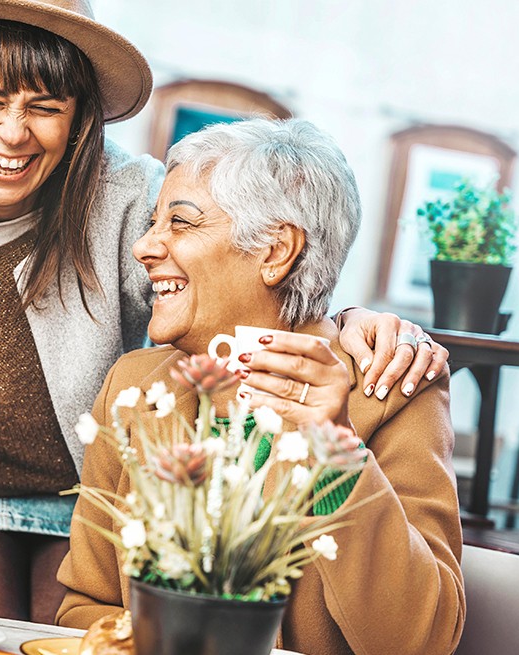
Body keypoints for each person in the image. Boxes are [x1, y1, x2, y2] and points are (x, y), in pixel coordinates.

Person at [0, 0, 448, 624]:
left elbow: (248, 271)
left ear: (82, 116)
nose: (13, 132)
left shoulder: (131, 200)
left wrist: (353, 320)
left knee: (68, 616)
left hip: (85, 489)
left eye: (45, 105)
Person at [56, 119, 465, 655]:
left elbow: (421, 641)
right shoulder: (133, 386)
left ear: (276, 251)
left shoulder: (391, 386)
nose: (144, 247)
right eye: (154, 221)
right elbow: (86, 607)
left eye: (180, 222)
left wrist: (334, 451)